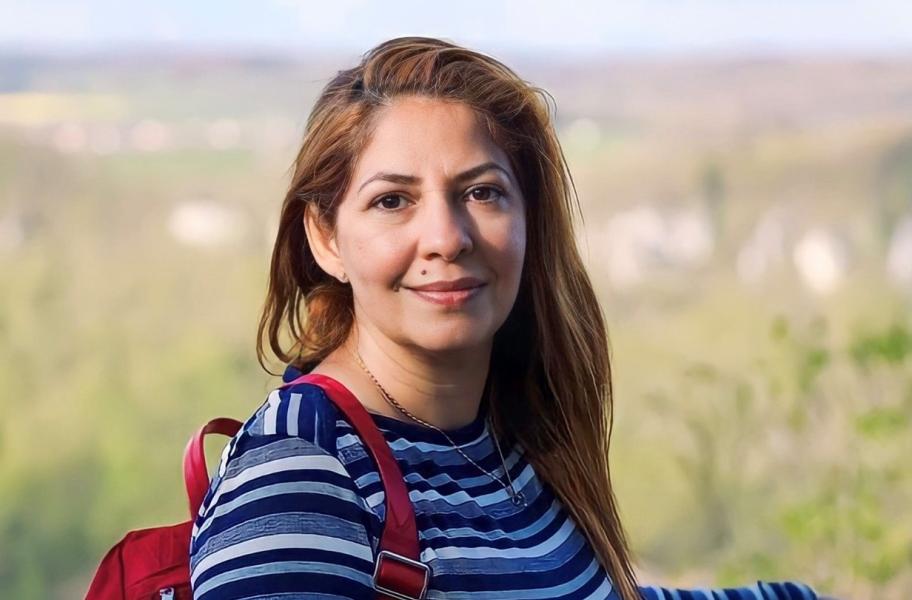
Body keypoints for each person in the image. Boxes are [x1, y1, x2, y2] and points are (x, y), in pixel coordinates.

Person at [188, 37, 821, 599]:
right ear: (327, 239)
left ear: (528, 221)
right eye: (392, 200)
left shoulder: (511, 436)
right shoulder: (304, 471)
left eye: (482, 192)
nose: (446, 236)